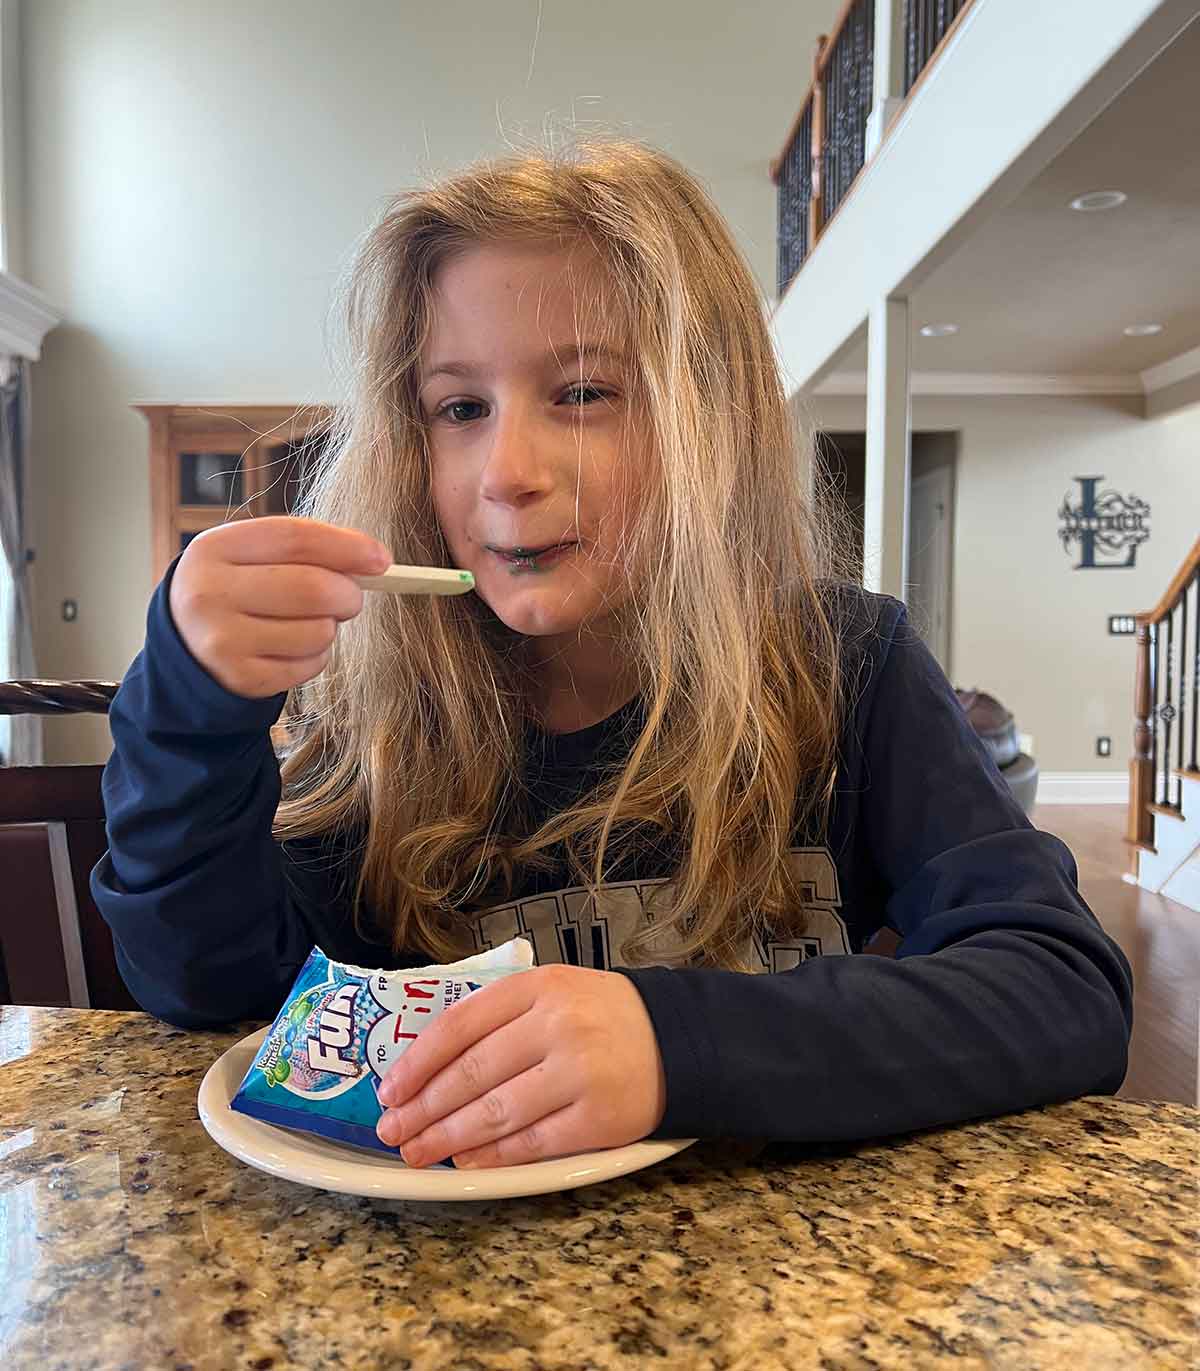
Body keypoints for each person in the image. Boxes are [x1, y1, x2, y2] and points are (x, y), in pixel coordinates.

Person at [93, 139, 1132, 1170]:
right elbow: (219, 999)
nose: (506, 471)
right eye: (460, 409)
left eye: (583, 393)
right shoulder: (378, 713)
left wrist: (672, 1044)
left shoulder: (846, 665)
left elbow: (1061, 986)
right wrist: (186, 705)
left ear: (711, 424)